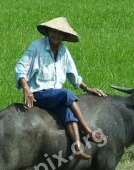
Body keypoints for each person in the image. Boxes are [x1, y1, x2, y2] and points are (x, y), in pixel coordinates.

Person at [14, 17, 107, 160]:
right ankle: (88, 131)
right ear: (48, 31)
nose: (56, 35)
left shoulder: (63, 50)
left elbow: (72, 73)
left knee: (68, 113)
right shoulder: (36, 46)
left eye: (60, 33)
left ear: (64, 36)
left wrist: (87, 88)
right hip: (39, 93)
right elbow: (21, 67)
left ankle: (77, 147)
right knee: (67, 94)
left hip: (55, 95)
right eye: (54, 32)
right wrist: (26, 88)